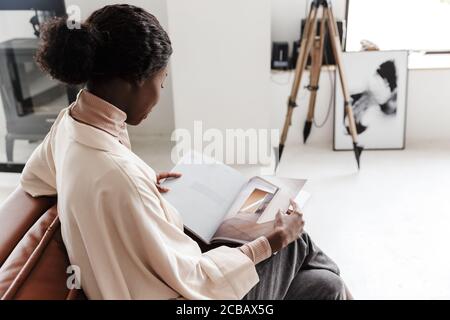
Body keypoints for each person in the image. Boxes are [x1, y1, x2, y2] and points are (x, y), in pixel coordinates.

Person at [21, 4, 350, 300]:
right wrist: (273, 241)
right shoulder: (119, 177)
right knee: (294, 236)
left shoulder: (69, 127)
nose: (160, 94)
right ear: (136, 79)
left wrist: (141, 187)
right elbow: (196, 283)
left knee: (326, 287)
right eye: (161, 82)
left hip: (164, 277)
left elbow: (35, 180)